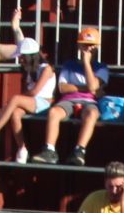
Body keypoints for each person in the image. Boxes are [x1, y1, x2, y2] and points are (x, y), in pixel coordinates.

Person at [38, 29, 106, 165]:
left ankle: (79, 151)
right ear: (79, 46)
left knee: (92, 114)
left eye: (91, 45)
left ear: (97, 47)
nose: (88, 48)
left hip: (89, 102)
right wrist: (87, 88)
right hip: (68, 100)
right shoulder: (69, 65)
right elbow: (62, 88)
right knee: (53, 112)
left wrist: (86, 63)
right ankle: (49, 150)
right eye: (84, 45)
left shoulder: (101, 67)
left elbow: (93, 85)